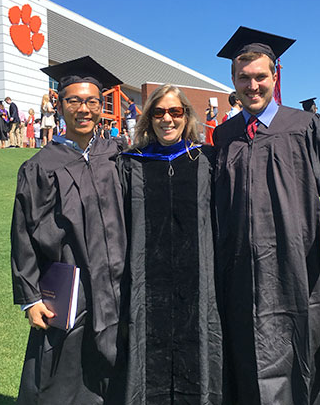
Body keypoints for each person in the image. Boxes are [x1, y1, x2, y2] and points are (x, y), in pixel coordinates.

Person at [213, 26, 320, 405]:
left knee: (300, 354)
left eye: (260, 76)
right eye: (244, 78)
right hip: (239, 271)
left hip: (297, 267)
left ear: (274, 77)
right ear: (233, 79)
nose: (252, 85)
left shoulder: (306, 126)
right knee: (244, 355)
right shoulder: (224, 135)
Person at [11, 56, 126, 405]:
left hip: (121, 280)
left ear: (102, 106)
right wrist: (30, 298)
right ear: (59, 104)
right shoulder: (41, 166)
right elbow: (23, 235)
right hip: (71, 285)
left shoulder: (118, 154)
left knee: (121, 365)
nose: (84, 109)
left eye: (92, 101)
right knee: (64, 374)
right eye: (74, 100)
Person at [117, 84, 222, 404]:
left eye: (175, 112)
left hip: (199, 283)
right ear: (149, 118)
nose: (167, 119)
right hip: (146, 282)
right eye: (159, 112)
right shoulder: (129, 163)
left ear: (187, 116)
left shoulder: (206, 160)